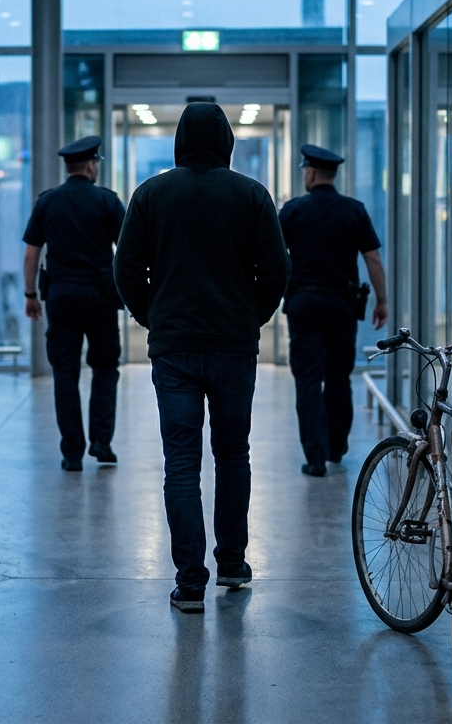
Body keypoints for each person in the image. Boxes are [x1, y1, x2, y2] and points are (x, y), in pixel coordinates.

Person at [114, 103, 290, 614]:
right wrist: (249, 317)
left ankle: (190, 581)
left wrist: (156, 319)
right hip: (235, 347)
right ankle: (232, 563)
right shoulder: (252, 195)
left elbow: (126, 272)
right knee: (233, 454)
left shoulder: (150, 195)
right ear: (228, 142)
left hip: (174, 351)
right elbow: (276, 272)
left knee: (182, 463)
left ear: (179, 141)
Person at [279, 145, 389, 477]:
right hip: (342, 307)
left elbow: (269, 252)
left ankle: (314, 457)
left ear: (310, 173)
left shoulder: (292, 210)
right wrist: (381, 301)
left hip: (303, 306)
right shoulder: (353, 211)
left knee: (308, 381)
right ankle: (336, 447)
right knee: (339, 377)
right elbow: (372, 259)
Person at [22, 135, 126, 472]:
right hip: (100, 297)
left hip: (62, 295)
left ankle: (72, 453)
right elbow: (126, 252)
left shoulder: (48, 202)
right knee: (105, 367)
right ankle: (102, 442)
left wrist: (30, 295)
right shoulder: (107, 202)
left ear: (69, 167)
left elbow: (32, 253)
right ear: (92, 164)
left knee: (65, 373)